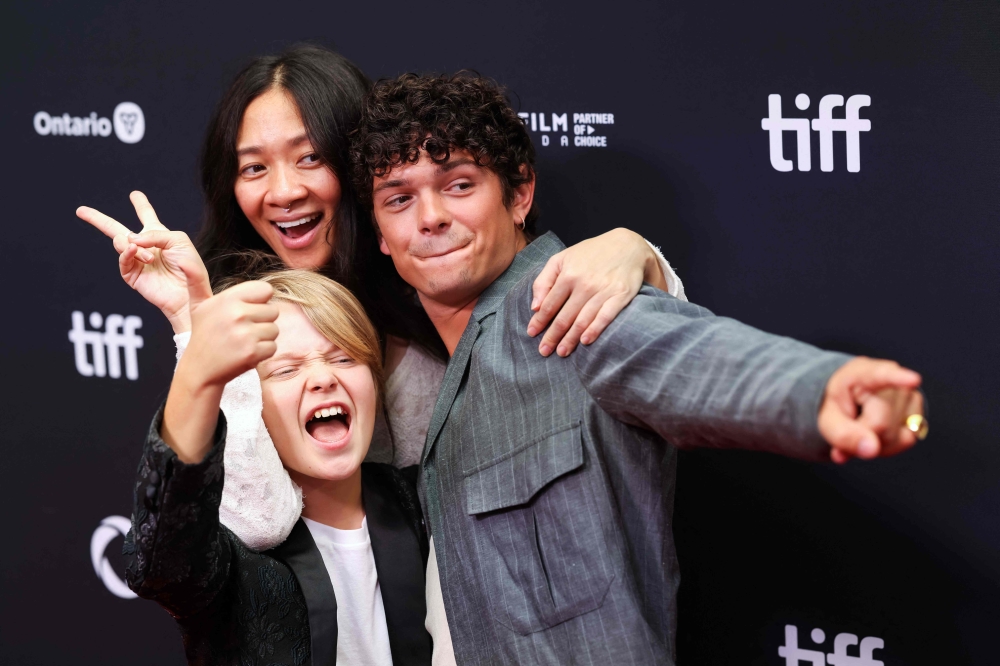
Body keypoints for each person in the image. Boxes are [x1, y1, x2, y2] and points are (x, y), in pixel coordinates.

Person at [349, 71, 929, 665]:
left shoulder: (562, 306)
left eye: (459, 185)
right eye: (400, 199)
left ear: (519, 194)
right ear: (382, 236)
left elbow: (679, 355)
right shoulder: (417, 362)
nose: (430, 217)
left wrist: (816, 392)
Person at [76, 44, 686, 551]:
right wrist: (196, 329)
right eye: (253, 168)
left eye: (311, 157)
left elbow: (592, 331)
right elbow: (251, 523)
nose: (284, 191)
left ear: (365, 166)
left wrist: (637, 253)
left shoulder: (435, 275)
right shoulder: (238, 315)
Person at [125, 269, 431, 665]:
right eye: (286, 370)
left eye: (344, 357)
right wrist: (199, 366)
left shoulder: (423, 501)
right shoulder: (237, 552)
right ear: (250, 404)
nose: (323, 377)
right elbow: (162, 563)